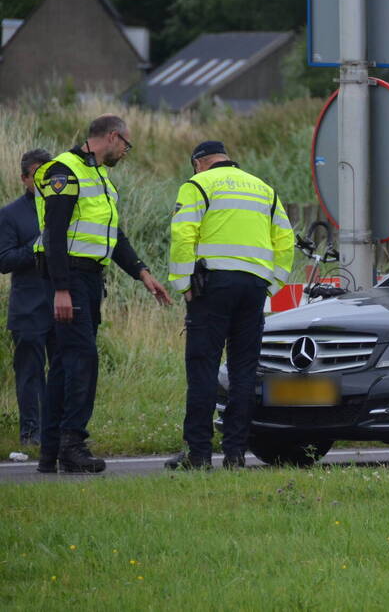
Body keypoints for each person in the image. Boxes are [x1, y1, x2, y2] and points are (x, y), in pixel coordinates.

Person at [34, 115, 172, 473]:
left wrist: (143, 272)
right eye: (126, 144)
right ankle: (72, 446)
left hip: (91, 278)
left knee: (66, 363)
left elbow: (114, 235)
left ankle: (51, 452)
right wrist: (61, 289)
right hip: (71, 278)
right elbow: (55, 235)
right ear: (113, 137)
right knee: (83, 361)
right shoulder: (63, 171)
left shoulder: (100, 176)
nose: (126, 151)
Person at [165, 141, 294, 470]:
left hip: (212, 288)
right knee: (244, 371)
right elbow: (286, 240)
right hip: (253, 288)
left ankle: (198, 454)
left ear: (200, 163)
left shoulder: (198, 184)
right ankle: (235, 454)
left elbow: (183, 235)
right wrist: (272, 284)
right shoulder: (264, 189)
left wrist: (183, 285)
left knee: (203, 368)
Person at [0, 149, 55, 447]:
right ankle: (31, 433)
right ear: (24, 178)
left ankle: (58, 433)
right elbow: (3, 260)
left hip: (62, 303)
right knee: (30, 373)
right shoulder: (10, 214)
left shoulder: (66, 207)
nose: (45, 180)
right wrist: (36, 248)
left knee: (63, 370)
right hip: (28, 307)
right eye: (38, 174)